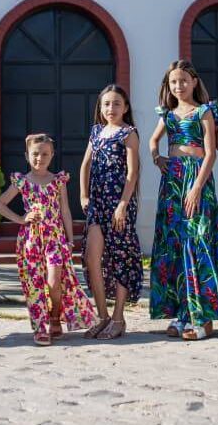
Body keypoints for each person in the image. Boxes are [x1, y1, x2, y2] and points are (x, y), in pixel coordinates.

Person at [149, 60, 218, 341]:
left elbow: (211, 153)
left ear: (194, 81)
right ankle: (181, 313)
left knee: (198, 242)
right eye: (174, 82)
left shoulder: (204, 111)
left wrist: (197, 186)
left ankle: (204, 317)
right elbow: (153, 141)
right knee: (174, 245)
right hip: (172, 180)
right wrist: (156, 158)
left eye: (184, 81)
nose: (179, 86)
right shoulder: (167, 114)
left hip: (196, 177)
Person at [0, 134, 96, 346]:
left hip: (55, 238)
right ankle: (40, 327)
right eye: (35, 154)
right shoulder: (22, 181)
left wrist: (69, 239)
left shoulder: (57, 181)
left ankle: (54, 316)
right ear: (26, 155)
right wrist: (21, 219)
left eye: (44, 154)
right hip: (31, 240)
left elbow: (65, 210)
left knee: (53, 282)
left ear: (52, 156)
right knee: (34, 284)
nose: (39, 158)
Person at [79, 85, 143, 340]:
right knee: (92, 257)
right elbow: (85, 165)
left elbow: (132, 173)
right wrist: (83, 195)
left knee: (120, 258)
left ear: (125, 107)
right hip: (97, 203)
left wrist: (123, 204)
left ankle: (118, 318)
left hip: (120, 204)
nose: (111, 109)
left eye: (116, 104)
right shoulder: (96, 132)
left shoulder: (129, 133)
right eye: (106, 104)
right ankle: (102, 315)